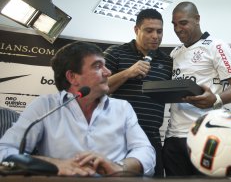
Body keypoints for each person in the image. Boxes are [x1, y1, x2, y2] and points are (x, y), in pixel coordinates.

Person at [0, 41, 156, 176]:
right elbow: (5, 150)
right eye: (97, 66)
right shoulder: (44, 106)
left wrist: (119, 166)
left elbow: (146, 151)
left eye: (105, 66)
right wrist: (55, 165)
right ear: (72, 77)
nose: (108, 72)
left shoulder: (122, 108)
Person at [162, 2, 231, 176]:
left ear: (197, 19)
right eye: (174, 24)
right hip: (174, 138)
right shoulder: (175, 53)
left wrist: (215, 99)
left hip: (206, 135)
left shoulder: (216, 46)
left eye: (183, 23)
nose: (178, 29)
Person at [103, 9, 172, 177]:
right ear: (136, 30)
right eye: (149, 30)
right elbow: (95, 87)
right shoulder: (115, 53)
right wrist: (128, 72)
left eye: (159, 31)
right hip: (118, 137)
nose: (155, 36)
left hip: (152, 138)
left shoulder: (168, 62)